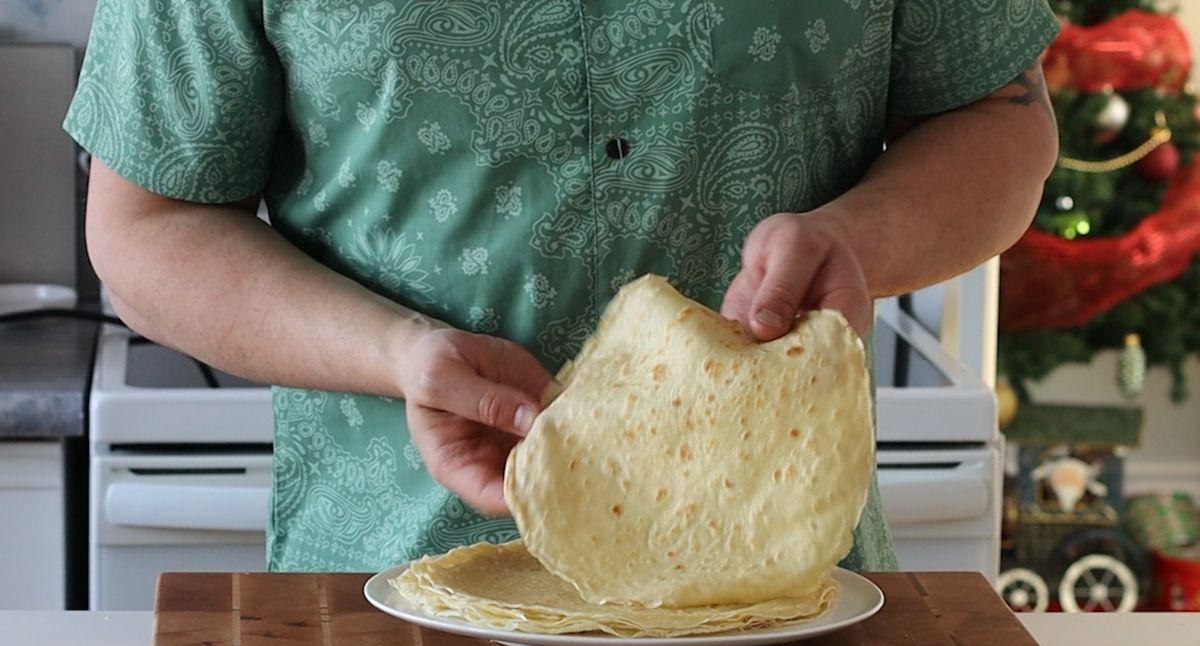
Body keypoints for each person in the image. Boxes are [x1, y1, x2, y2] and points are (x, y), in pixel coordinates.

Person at [63, 1, 1060, 573]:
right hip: (387, 603)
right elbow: (148, 226)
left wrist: (857, 236)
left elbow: (999, 117)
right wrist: (396, 350)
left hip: (793, 610)